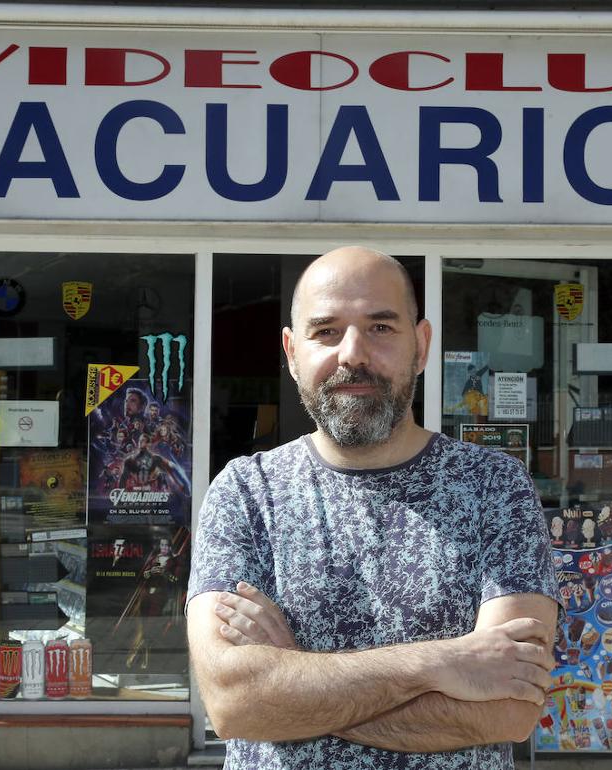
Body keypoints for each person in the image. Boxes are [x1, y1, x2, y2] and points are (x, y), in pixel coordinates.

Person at [186, 246, 561, 769]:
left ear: (422, 345)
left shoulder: (493, 488)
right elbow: (234, 702)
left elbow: (509, 710)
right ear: (292, 354)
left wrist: (294, 680)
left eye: (381, 327)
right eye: (326, 331)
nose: (352, 353)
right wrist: (442, 662)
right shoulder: (246, 493)